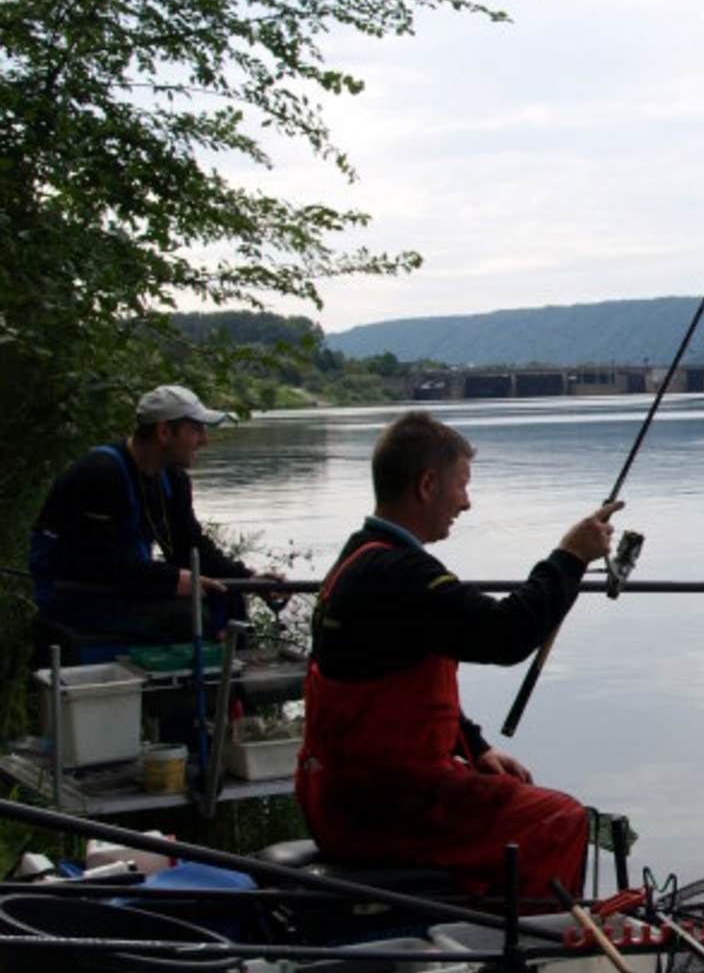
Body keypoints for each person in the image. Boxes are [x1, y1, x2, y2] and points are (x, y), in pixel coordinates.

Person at [296, 410, 622, 901]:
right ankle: (532, 961)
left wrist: (475, 746)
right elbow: (504, 635)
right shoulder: (399, 575)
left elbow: (396, 696)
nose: (466, 503)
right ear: (427, 485)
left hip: (342, 796)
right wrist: (570, 557)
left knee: (511, 798)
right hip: (384, 807)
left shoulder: (360, 558)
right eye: (461, 486)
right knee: (559, 820)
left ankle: (478, 927)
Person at [29, 384, 262, 650]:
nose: (204, 440)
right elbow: (101, 563)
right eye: (196, 430)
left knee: (229, 598)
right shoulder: (101, 474)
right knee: (190, 618)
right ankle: (195, 687)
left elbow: (188, 545)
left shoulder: (173, 479)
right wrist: (172, 581)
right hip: (74, 594)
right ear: (164, 432)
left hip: (123, 585)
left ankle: (231, 687)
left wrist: (248, 578)